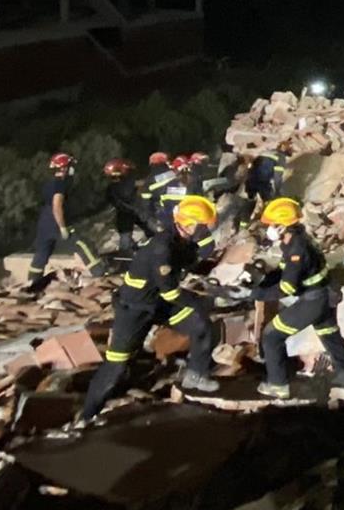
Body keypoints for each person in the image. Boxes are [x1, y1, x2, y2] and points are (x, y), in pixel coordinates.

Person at [78, 197, 220, 422]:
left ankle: (196, 375)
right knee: (116, 365)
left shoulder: (181, 242)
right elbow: (170, 292)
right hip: (135, 310)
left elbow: (191, 262)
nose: (207, 231)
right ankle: (87, 415)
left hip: (157, 303)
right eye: (204, 227)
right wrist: (201, 300)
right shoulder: (161, 248)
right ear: (189, 224)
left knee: (201, 326)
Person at [252, 197, 344, 399]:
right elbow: (285, 270)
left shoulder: (296, 250)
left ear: (283, 227)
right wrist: (263, 279)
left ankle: (278, 385)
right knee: (330, 335)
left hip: (313, 301)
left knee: (272, 336)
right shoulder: (296, 240)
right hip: (325, 295)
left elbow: (287, 287)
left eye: (272, 225)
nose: (268, 230)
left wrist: (256, 294)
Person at [30, 153, 105, 290]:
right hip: (56, 221)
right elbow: (57, 205)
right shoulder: (60, 184)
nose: (72, 169)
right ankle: (99, 273)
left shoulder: (48, 183)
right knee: (83, 244)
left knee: (41, 254)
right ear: (64, 168)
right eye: (70, 166)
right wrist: (62, 227)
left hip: (44, 223)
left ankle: (32, 282)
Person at [103, 159, 150, 255]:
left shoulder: (111, 188)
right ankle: (128, 257)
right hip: (132, 213)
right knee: (127, 241)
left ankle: (130, 252)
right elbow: (143, 183)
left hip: (127, 214)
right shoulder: (125, 184)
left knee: (126, 238)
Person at [244, 147, 290, 219]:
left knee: (250, 202)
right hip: (263, 183)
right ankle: (266, 217)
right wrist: (277, 191)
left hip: (251, 181)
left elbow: (251, 166)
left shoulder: (265, 152)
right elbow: (277, 176)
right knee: (268, 202)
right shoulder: (281, 158)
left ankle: (245, 221)